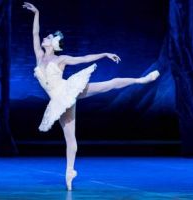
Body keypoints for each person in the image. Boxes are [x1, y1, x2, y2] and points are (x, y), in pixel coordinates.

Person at [23, 2, 160, 191]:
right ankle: (69, 172)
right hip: (58, 101)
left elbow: (83, 59)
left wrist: (104, 54)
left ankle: (140, 80)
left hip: (68, 90)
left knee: (108, 85)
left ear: (53, 44)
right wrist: (36, 13)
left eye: (48, 37)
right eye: (46, 37)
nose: (45, 37)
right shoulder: (39, 56)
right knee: (70, 139)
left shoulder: (61, 59)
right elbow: (34, 34)